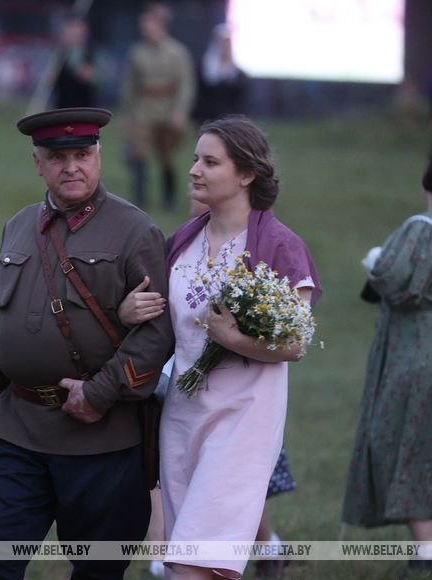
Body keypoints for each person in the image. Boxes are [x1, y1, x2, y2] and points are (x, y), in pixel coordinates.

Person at [0, 107, 175, 579]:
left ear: (99, 156)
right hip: (17, 432)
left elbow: (157, 333)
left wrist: (98, 394)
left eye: (82, 154)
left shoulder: (135, 230)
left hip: (101, 439)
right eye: (57, 157)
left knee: (97, 572)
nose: (71, 167)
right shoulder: (17, 226)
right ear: (38, 163)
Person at [121, 115, 321, 579]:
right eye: (195, 159)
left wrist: (231, 338)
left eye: (210, 162)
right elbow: (162, 325)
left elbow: (295, 343)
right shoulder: (183, 241)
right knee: (181, 559)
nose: (194, 170)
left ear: (246, 174)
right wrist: (129, 312)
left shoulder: (279, 245)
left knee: (195, 563)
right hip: (181, 416)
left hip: (243, 419)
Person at [342, 157, 432, 573]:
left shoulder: (420, 228)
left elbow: (393, 279)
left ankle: (426, 548)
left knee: (406, 443)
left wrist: (377, 261)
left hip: (416, 354)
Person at [121, 2, 195, 212]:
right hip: (144, 109)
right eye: (144, 25)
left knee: (166, 156)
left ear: (161, 26)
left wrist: (180, 111)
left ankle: (169, 199)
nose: (146, 29)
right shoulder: (137, 53)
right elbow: (130, 85)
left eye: (150, 25)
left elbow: (185, 85)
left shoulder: (177, 52)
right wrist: (127, 114)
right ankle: (140, 200)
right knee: (139, 155)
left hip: (167, 109)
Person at [191, 24, 249, 126]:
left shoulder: (238, 74)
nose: (225, 47)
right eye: (222, 43)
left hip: (232, 123)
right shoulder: (204, 68)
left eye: (228, 44)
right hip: (207, 121)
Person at [52, 11, 98, 109]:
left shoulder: (91, 53)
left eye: (77, 29)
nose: (73, 33)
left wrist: (91, 76)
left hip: (84, 108)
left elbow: (102, 80)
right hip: (62, 108)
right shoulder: (59, 54)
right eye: (71, 29)